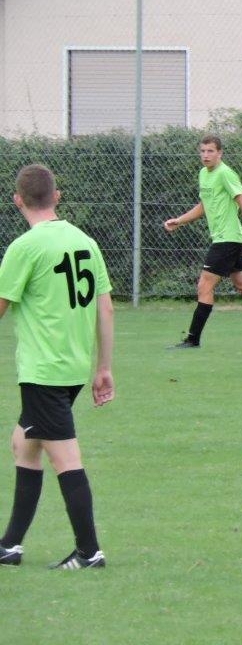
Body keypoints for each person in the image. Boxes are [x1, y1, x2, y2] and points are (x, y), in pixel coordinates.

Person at [0, 164, 114, 570]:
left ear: (18, 200)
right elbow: (105, 307)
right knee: (24, 444)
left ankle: (89, 551)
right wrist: (103, 367)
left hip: (43, 371)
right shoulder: (85, 241)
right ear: (57, 197)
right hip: (72, 367)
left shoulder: (25, 247)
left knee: (65, 459)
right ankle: (10, 545)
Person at [163, 135, 242, 348]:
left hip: (228, 240)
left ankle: (193, 339)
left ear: (220, 153)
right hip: (226, 239)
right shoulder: (203, 174)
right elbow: (204, 205)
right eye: (202, 151)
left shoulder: (225, 173)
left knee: (204, 285)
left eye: (210, 151)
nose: (206, 155)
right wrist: (179, 221)